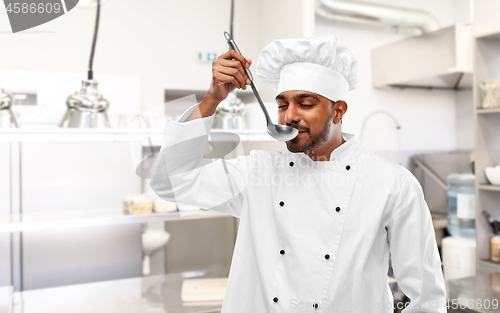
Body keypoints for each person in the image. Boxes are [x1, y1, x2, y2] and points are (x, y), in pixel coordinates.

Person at [149, 34, 447, 313]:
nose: (290, 116)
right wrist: (212, 99)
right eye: (282, 105)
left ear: (339, 111)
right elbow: (172, 183)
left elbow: (428, 299)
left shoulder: (391, 184)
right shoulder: (259, 172)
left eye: (305, 103)